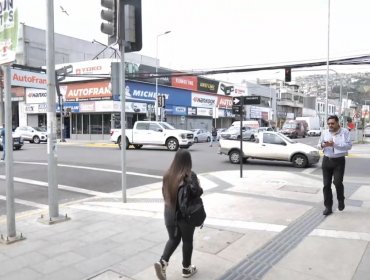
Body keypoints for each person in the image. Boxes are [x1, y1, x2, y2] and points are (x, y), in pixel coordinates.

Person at [154, 149, 203, 280]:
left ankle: (162, 262)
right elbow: (197, 193)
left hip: (169, 213)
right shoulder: (189, 175)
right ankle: (186, 269)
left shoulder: (167, 175)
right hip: (185, 215)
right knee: (187, 241)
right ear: (188, 161)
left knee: (173, 239)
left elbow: (164, 194)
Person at [318, 115, 352, 216]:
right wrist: (324, 145)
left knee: (337, 182)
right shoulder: (325, 132)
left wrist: (334, 145)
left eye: (332, 123)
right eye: (329, 124)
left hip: (339, 161)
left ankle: (341, 200)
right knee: (326, 185)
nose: (330, 125)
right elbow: (319, 145)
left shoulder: (345, 132)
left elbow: (349, 146)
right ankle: (328, 207)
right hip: (327, 160)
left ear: (337, 123)